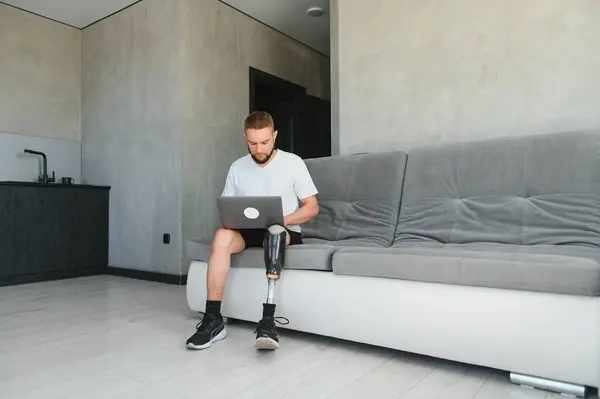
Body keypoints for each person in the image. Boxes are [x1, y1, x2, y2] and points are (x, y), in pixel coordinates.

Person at [186, 111, 319, 351]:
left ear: (275, 136)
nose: (259, 149)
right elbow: (227, 209)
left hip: (283, 229)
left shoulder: (293, 162)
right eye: (253, 143)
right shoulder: (237, 167)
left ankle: (268, 320)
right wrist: (232, 221)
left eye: (265, 142)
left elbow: (312, 208)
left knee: (276, 232)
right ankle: (213, 319)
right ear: (246, 138)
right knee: (222, 236)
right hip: (248, 231)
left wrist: (281, 218)